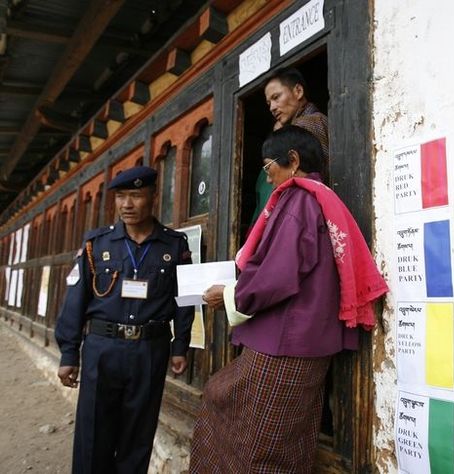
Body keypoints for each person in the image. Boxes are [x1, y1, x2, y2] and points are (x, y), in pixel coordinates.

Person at [190, 126, 387, 473]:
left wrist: (231, 295)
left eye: (269, 167)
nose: (267, 177)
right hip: (304, 341)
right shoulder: (318, 199)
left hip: (286, 344)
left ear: (292, 160)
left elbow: (277, 274)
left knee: (259, 445)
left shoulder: (298, 201)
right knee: (287, 442)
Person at [55, 166, 194, 474]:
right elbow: (75, 300)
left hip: (150, 351)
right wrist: (68, 353)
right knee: (93, 435)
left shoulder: (175, 245)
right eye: (120, 197)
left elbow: (184, 299)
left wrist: (180, 345)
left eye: (135, 196)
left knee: (138, 436)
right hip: (101, 349)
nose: (126, 205)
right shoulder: (96, 244)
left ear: (154, 197)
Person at [249, 67, 329, 231]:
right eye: (269, 102)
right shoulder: (315, 120)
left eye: (276, 97)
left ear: (298, 91)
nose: (272, 107)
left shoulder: (306, 124)